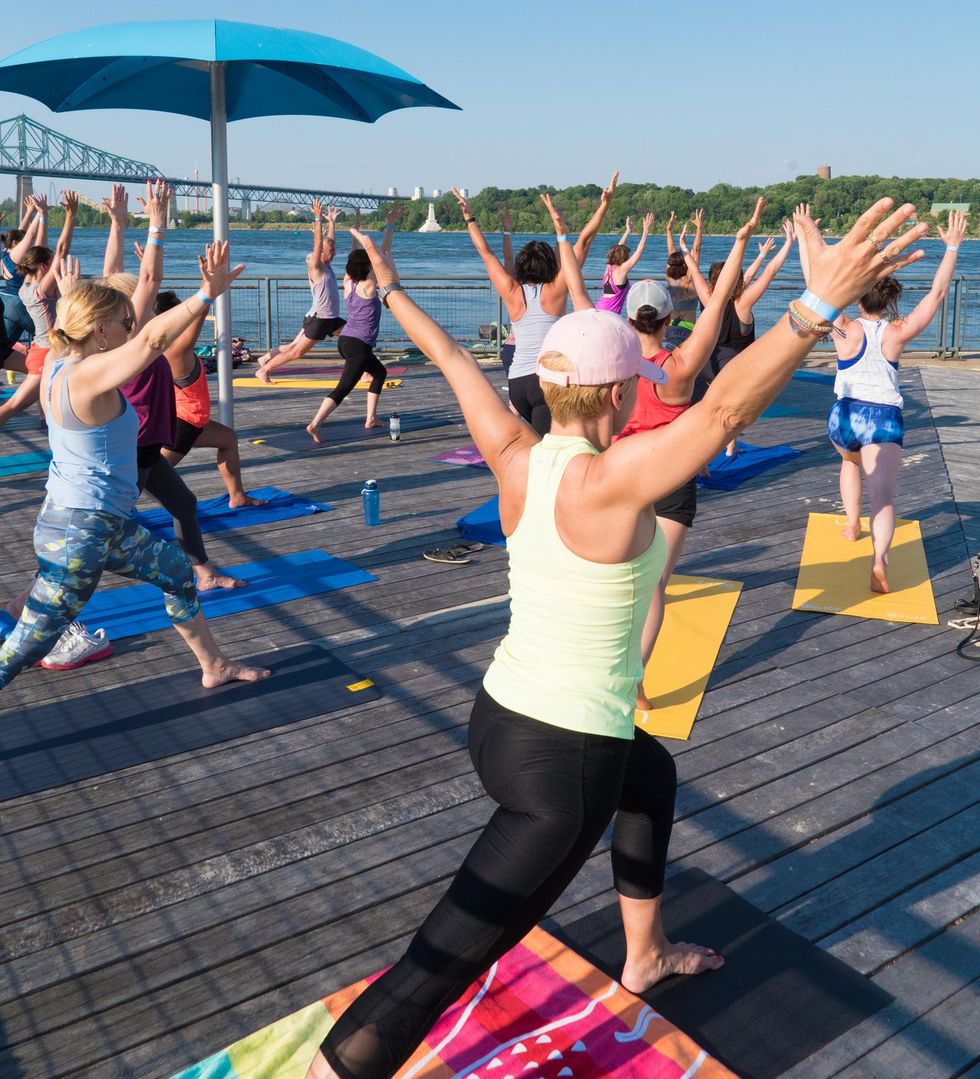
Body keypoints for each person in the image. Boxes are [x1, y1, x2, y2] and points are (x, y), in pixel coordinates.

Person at [304, 197, 928, 1079]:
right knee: (438, 964)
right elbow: (718, 418)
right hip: (562, 767)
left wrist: (396, 288)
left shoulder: (515, 451)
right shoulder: (613, 480)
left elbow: (448, 354)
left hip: (499, 717)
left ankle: (645, 953)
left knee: (655, 773)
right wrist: (811, 312)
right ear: (619, 391)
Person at [0, 244, 270, 691]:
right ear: (100, 330)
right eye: (124, 322)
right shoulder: (88, 376)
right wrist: (205, 295)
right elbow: (152, 340)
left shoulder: (56, 361)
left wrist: (73, 294)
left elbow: (124, 324)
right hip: (80, 533)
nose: (132, 326)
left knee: (178, 573)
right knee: (25, 647)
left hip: (97, 525)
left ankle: (214, 665)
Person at [609, 208, 763, 713]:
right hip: (671, 478)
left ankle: (610, 666)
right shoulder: (678, 367)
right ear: (670, 319)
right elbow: (718, 303)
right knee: (655, 585)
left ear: (629, 320)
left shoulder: (615, 363)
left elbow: (576, 288)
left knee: (623, 578)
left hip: (624, 475)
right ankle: (633, 678)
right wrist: (740, 237)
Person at [797, 204, 966, 593]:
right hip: (884, 418)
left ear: (858, 297)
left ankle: (852, 523)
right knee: (884, 496)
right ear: (889, 301)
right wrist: (953, 248)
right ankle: (879, 562)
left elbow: (815, 286)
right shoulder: (898, 331)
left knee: (850, 462)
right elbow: (937, 295)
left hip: (845, 415)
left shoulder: (843, 326)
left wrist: (808, 232)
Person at [102, 181, 244, 591]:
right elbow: (147, 278)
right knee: (100, 538)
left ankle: (204, 572)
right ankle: (30, 601)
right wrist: (157, 225)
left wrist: (119, 223)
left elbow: (114, 276)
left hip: (145, 444)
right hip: (133, 446)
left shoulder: (125, 335)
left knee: (184, 503)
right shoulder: (136, 341)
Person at [453, 174, 619, 435]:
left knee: (537, 447)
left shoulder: (512, 291)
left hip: (517, 383)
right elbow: (584, 242)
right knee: (546, 449)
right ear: (550, 265)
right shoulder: (555, 290)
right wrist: (604, 205)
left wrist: (469, 218)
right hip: (545, 382)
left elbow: (485, 252)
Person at [689, 218, 796, 455]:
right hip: (735, 366)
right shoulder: (743, 302)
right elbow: (769, 272)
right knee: (733, 407)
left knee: (705, 409)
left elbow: (696, 272)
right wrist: (789, 242)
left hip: (707, 364)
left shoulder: (708, 299)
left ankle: (703, 458)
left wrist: (686, 252)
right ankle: (730, 446)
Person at [153, 290, 265, 508]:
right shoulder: (176, 350)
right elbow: (198, 315)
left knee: (228, 440)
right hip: (182, 427)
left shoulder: (161, 348)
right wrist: (209, 289)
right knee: (145, 478)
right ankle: (113, 514)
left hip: (192, 422)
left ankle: (237, 496)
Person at [305, 210, 401, 443]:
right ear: (367, 267)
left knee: (379, 372)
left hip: (348, 340)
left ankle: (370, 418)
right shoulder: (369, 285)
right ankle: (315, 424)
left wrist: (354, 232)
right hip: (358, 344)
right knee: (343, 388)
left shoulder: (349, 282)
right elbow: (384, 253)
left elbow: (353, 257)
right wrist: (389, 227)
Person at [255, 200, 346, 383]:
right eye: (331, 251)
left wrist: (332, 223)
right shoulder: (316, 267)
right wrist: (317, 218)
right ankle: (264, 370)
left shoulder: (327, 265)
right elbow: (320, 243)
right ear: (320, 253)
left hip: (330, 318)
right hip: (320, 319)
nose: (334, 253)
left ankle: (265, 359)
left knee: (354, 336)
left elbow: (329, 242)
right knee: (296, 351)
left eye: (334, 250)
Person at [595, 211, 654, 315]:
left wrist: (628, 231)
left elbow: (618, 247)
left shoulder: (609, 268)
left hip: (598, 309)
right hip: (608, 315)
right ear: (624, 257)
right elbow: (638, 252)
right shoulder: (622, 270)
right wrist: (645, 231)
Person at [663, 208, 704, 349]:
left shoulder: (669, 277)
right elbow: (697, 249)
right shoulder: (690, 278)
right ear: (686, 263)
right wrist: (699, 228)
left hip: (671, 325)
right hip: (688, 326)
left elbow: (671, 253)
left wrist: (669, 230)